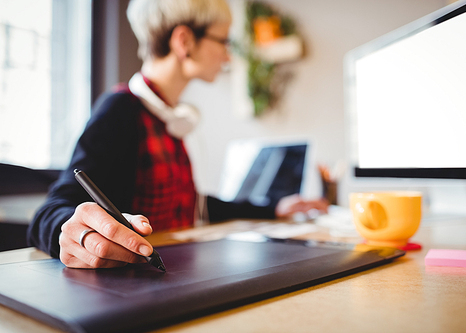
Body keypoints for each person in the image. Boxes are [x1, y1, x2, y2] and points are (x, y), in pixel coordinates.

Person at [27, 0, 328, 269]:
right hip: (138, 287)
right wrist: (70, 233)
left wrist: (274, 207)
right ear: (184, 40)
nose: (227, 56)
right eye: (223, 41)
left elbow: (191, 204)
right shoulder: (120, 109)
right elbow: (49, 213)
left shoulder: (170, 117)